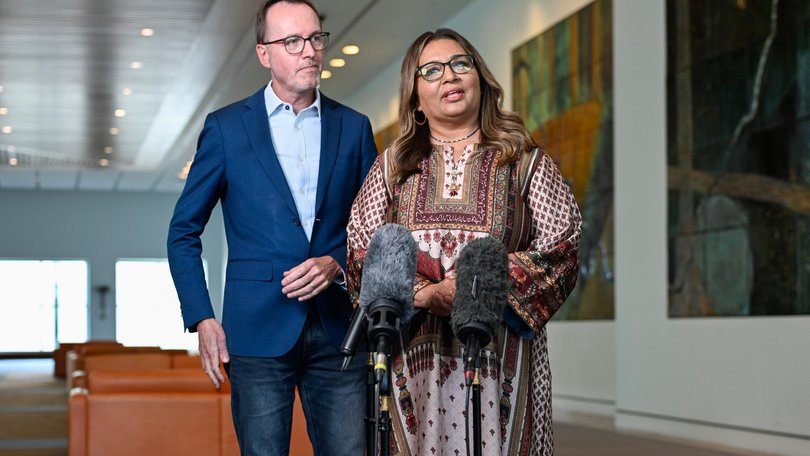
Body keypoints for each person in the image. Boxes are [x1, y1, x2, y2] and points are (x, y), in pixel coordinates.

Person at [346, 29, 581, 455]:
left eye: (460, 63)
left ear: (479, 77)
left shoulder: (524, 160)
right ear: (415, 96)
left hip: (501, 359)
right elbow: (360, 251)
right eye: (431, 70)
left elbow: (562, 246)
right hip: (412, 362)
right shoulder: (391, 168)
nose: (449, 77)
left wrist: (478, 285)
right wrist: (426, 293)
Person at [167, 0, 378, 454]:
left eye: (315, 38)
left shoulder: (354, 127)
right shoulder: (225, 129)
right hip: (256, 332)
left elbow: (376, 229)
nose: (309, 52)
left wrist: (336, 264)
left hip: (340, 328)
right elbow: (183, 231)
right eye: (292, 41)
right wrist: (202, 317)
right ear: (264, 53)